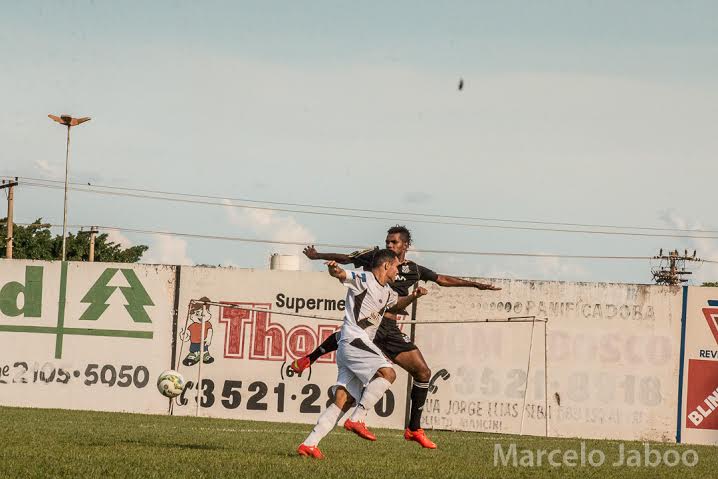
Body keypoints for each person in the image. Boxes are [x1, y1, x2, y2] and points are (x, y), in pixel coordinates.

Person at [294, 225, 501, 449]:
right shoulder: (375, 260)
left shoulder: (407, 274)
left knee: (419, 373)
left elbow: (440, 279)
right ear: (386, 265)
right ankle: (355, 414)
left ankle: (312, 443)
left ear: (406, 245)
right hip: (369, 328)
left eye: (394, 242)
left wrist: (474, 285)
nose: (390, 245)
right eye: (388, 242)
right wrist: (319, 257)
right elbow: (344, 262)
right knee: (376, 361)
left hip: (385, 328)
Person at [297, 249, 428, 459]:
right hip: (354, 339)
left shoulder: (387, 290)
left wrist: (413, 296)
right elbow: (341, 274)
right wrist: (334, 269)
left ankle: (309, 444)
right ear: (386, 265)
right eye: (396, 266)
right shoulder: (364, 279)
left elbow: (396, 304)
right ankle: (357, 419)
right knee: (388, 373)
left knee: (344, 399)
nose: (398, 271)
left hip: (351, 346)